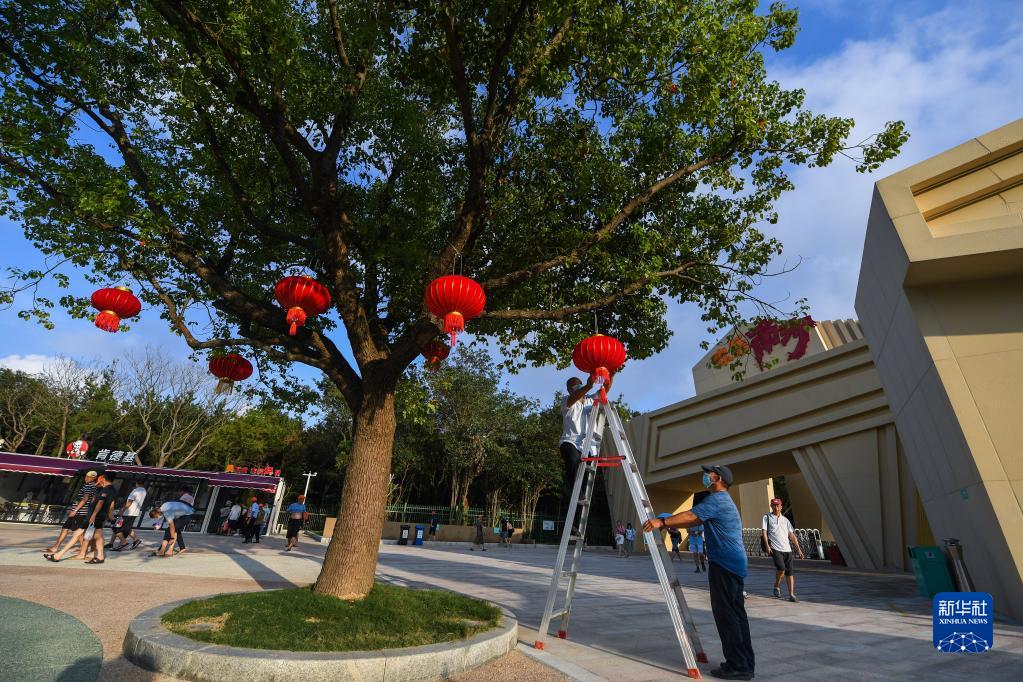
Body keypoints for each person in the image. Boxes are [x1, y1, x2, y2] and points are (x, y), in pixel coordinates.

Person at [646, 464, 754, 680]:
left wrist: (662, 521)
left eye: (709, 474)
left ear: (719, 479)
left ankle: (739, 667)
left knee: (727, 616)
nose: (705, 477)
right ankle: (743, 662)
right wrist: (670, 522)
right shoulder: (722, 501)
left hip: (724, 564)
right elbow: (694, 519)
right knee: (736, 615)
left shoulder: (718, 500)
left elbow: (691, 516)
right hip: (732, 564)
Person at [48, 471, 117, 564]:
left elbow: (100, 503)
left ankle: (58, 555)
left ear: (104, 477)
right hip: (99, 516)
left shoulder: (105, 490)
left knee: (80, 535)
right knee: (97, 536)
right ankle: (100, 557)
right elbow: (112, 505)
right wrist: (110, 516)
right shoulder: (113, 490)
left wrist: (93, 515)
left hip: (95, 516)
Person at [559, 375, 613, 494]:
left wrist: (611, 375)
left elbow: (605, 389)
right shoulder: (566, 401)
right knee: (573, 460)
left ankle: (580, 493)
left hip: (587, 445)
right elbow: (574, 397)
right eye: (574, 386)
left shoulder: (590, 400)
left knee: (586, 472)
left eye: (579, 384)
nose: (577, 387)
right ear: (569, 390)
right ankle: (571, 489)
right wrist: (589, 385)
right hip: (570, 442)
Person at [44, 471, 97, 554]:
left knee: (77, 531)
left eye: (89, 477)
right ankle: (57, 547)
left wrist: (75, 510)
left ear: (93, 478)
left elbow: (85, 499)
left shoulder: (89, 486)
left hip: (80, 512)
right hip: (80, 511)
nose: (87, 478)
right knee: (69, 529)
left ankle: (82, 549)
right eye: (87, 476)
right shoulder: (93, 486)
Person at [762, 498, 804, 602]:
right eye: (773, 505)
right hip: (775, 548)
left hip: (787, 549)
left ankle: (791, 594)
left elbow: (792, 535)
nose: (775, 507)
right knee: (781, 569)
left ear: (781, 507)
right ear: (771, 506)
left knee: (789, 572)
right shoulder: (767, 517)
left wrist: (798, 549)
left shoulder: (786, 520)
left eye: (777, 505)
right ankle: (776, 585)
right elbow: (764, 533)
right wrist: (767, 546)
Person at [110, 481, 147, 551]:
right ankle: (135, 540)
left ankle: (123, 543)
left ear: (137, 483)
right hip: (135, 513)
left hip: (128, 513)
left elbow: (129, 502)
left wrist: (122, 510)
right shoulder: (144, 491)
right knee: (126, 528)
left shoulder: (135, 491)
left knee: (117, 527)